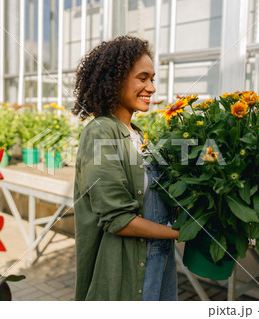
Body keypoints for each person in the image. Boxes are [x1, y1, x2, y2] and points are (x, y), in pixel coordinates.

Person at [71, 35, 179, 301]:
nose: (151, 88)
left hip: (157, 264)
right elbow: (117, 219)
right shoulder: (100, 132)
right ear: (115, 80)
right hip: (126, 272)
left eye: (152, 79)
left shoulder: (138, 135)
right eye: (142, 78)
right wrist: (183, 233)